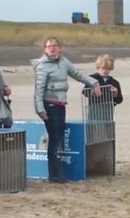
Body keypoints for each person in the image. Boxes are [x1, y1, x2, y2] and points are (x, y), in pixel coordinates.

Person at [31, 37, 101, 183]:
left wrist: (94, 83)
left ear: (59, 48)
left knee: (58, 138)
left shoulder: (64, 62)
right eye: (49, 46)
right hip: (49, 105)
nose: (53, 48)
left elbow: (78, 75)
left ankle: (56, 173)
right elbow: (38, 90)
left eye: (55, 45)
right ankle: (55, 175)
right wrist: (40, 109)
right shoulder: (42, 66)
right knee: (54, 139)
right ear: (45, 49)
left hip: (61, 104)